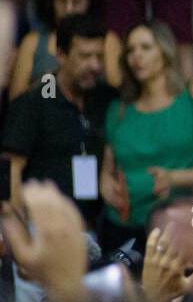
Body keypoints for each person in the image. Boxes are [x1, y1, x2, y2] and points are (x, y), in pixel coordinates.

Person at [99, 21, 193, 249]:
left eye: (146, 48)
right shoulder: (118, 109)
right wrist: (104, 182)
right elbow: (109, 167)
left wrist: (173, 178)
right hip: (123, 225)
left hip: (182, 223)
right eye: (131, 50)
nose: (136, 56)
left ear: (166, 52)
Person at [2, 14, 114, 224]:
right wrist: (18, 228)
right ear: (61, 55)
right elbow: (11, 167)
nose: (95, 65)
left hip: (97, 227)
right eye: (85, 56)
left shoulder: (106, 98)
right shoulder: (35, 101)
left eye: (99, 56)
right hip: (43, 229)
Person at [8, 0, 123, 98]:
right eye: (62, 1)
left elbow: (120, 95)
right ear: (51, 2)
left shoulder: (108, 40)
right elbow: (17, 101)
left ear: (89, 1)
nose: (69, 9)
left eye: (77, 1)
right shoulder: (33, 42)